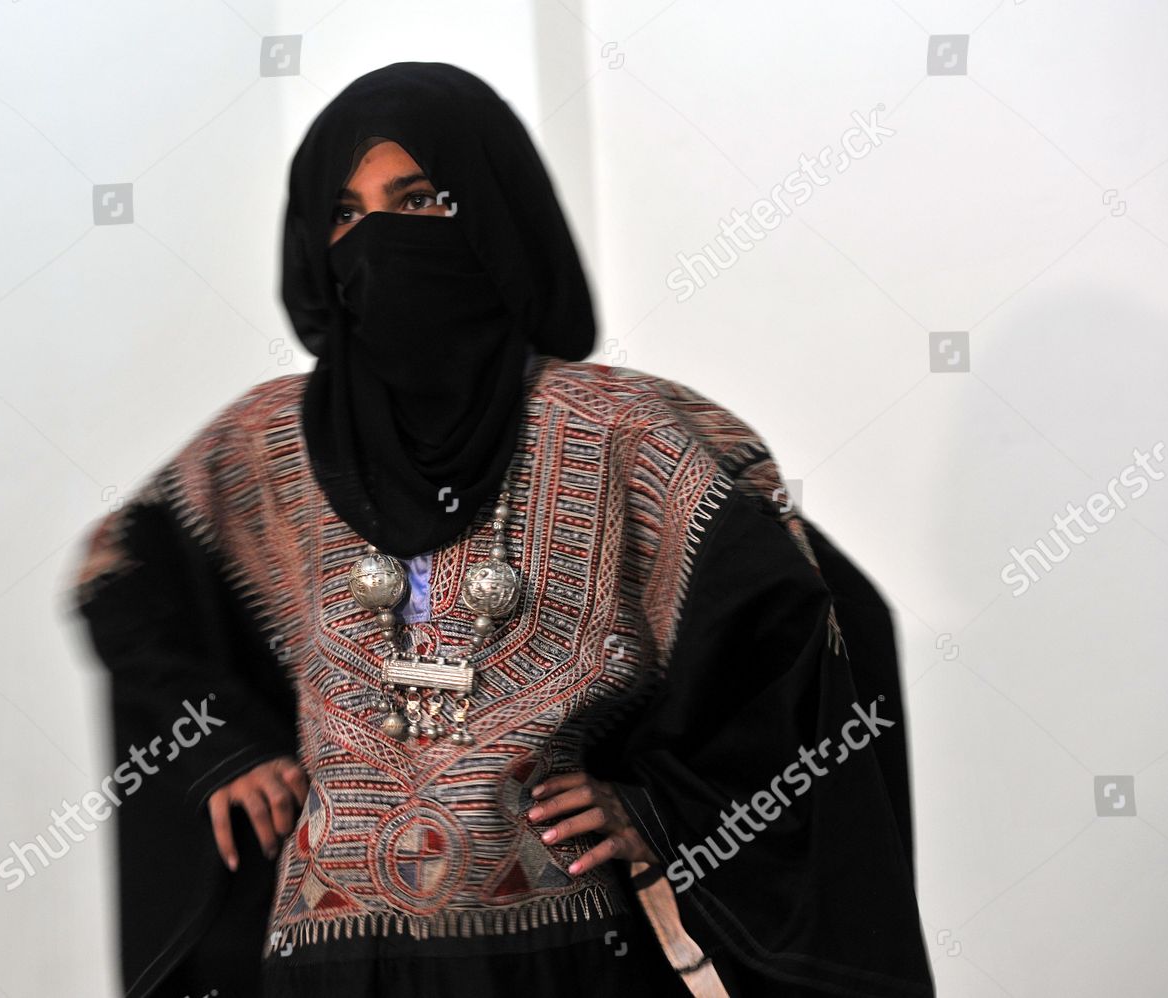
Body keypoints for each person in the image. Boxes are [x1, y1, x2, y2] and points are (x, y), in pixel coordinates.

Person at [68, 61, 935, 998]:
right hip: (331, 962)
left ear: (494, 212)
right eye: (347, 214)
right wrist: (220, 743)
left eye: (419, 200)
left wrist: (674, 810)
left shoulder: (622, 432)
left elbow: (792, 641)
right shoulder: (264, 443)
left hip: (565, 958)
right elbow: (120, 573)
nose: (379, 239)